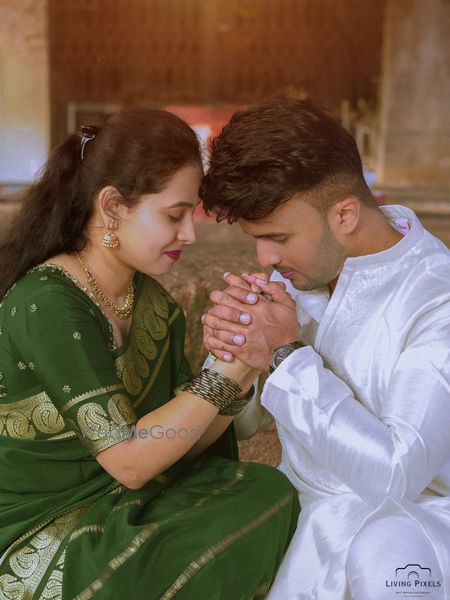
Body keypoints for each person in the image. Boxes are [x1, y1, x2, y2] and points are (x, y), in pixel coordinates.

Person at [0, 108, 300, 599]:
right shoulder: (48, 303)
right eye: (173, 215)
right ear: (113, 207)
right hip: (42, 524)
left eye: (191, 215)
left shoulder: (152, 303)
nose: (190, 235)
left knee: (266, 491)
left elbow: (182, 444)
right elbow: (131, 463)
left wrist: (244, 361)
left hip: (124, 504)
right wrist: (226, 372)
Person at [200, 98, 450, 600]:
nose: (264, 257)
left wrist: (284, 356)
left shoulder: (436, 299)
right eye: (256, 238)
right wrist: (234, 355)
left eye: (277, 237)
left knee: (386, 558)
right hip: (294, 514)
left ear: (345, 214)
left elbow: (397, 473)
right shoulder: (297, 277)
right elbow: (243, 426)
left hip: (412, 525)